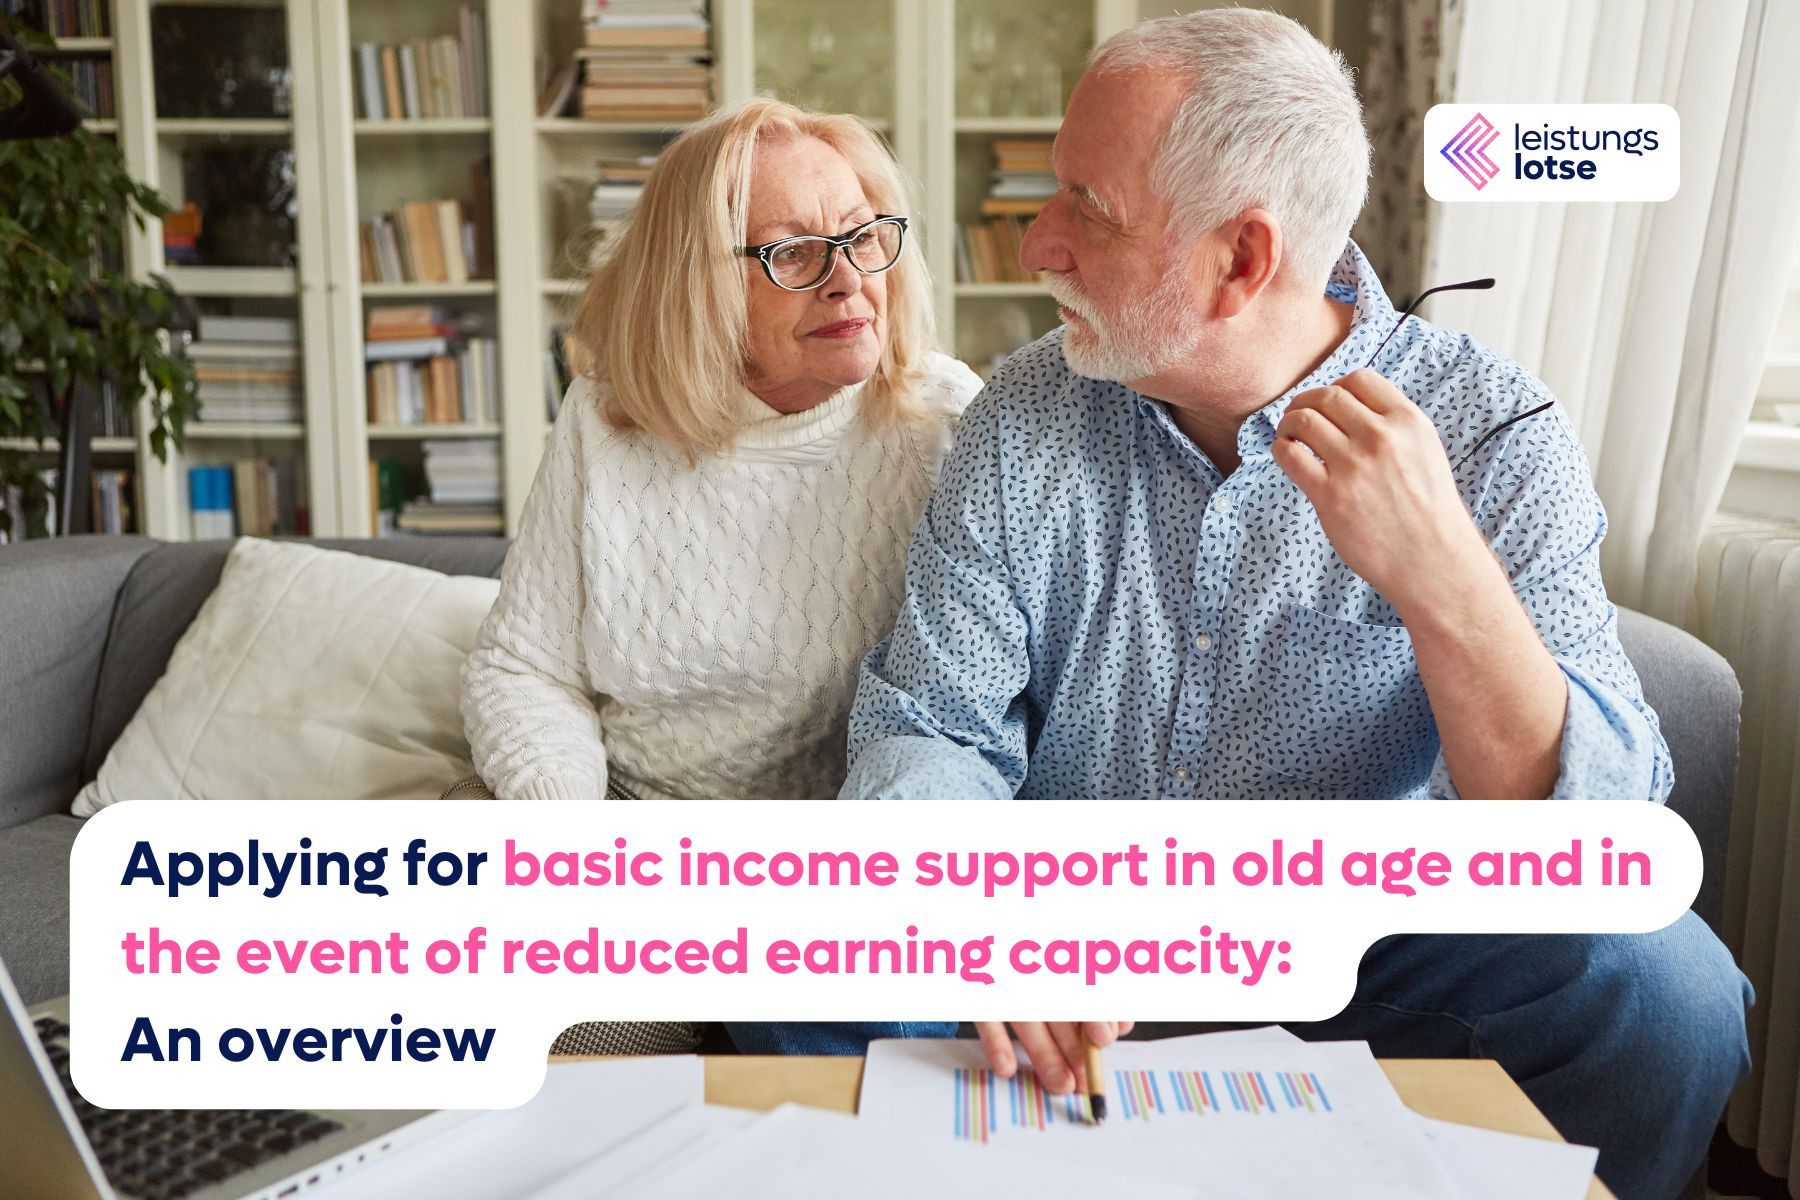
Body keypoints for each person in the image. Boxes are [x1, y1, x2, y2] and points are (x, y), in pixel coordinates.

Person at [827, 11, 1750, 1199]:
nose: (1037, 244)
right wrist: (993, 920)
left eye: (1087, 210)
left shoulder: (1495, 432)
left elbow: (1596, 843)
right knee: (804, 960)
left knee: (1666, 996)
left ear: (1242, 260)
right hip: (1068, 942)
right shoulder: (1023, 418)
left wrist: (1444, 582)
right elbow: (931, 727)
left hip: (1363, 962)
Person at [456, 98, 980, 1052]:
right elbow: (524, 666)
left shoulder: (946, 422)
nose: (848, 280)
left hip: (851, 873)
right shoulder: (608, 420)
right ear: (695, 285)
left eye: (863, 236)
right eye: (793, 253)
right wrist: (569, 843)